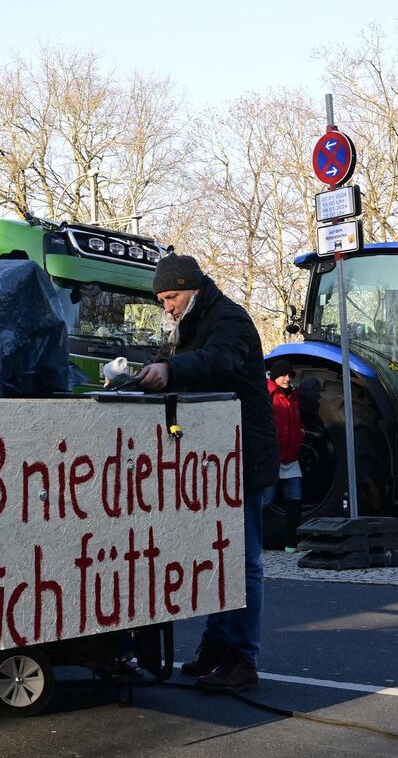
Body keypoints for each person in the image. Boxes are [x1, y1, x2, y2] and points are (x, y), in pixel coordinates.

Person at [132, 254, 275, 694]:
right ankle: (217, 648)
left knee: (244, 560)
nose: (167, 307)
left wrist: (170, 369)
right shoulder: (188, 325)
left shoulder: (230, 319)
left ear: (192, 287)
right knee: (219, 554)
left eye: (171, 297)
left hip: (244, 456)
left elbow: (220, 361)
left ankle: (241, 659)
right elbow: (175, 361)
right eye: (161, 301)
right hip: (217, 458)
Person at [268, 364, 307, 552]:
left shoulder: (293, 397)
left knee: (294, 500)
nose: (286, 379)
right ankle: (254, 542)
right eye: (282, 375)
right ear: (274, 377)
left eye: (289, 375)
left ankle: (291, 544)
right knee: (265, 501)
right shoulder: (268, 396)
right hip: (272, 457)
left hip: (291, 457)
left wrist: (300, 433)